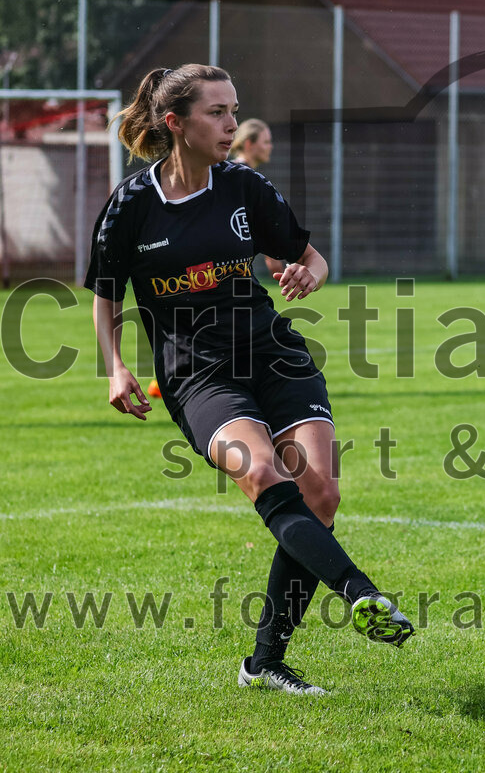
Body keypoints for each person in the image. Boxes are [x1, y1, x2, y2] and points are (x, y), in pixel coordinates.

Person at [86, 64, 413, 696]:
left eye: (235, 109)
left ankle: (263, 663)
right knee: (263, 474)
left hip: (275, 355)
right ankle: (362, 593)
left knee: (320, 497)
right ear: (175, 124)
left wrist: (311, 271)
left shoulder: (244, 186)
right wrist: (117, 366)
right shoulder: (130, 205)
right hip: (197, 376)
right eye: (217, 112)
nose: (232, 123)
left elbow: (307, 253)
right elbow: (106, 295)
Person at [229, 118, 286, 280]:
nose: (270, 146)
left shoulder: (237, 173)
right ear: (249, 144)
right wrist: (272, 254)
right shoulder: (240, 175)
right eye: (266, 142)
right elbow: (249, 217)